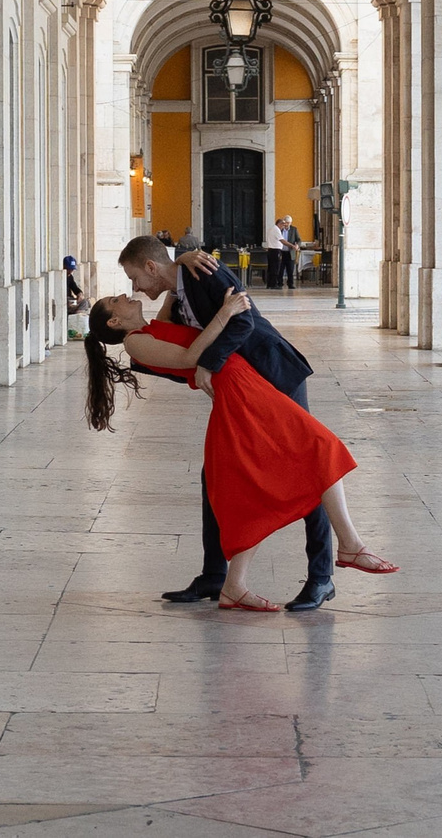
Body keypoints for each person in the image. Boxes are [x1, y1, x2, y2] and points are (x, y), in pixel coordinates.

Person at [82, 291, 397, 610]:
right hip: (237, 392)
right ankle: (350, 545)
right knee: (321, 446)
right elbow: (189, 358)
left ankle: (235, 585)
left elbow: (171, 298)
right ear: (114, 320)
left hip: (244, 384)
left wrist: (180, 270)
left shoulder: (151, 327)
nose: (124, 294)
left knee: (260, 485)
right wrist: (227, 310)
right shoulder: (136, 343)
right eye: (115, 300)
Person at [116, 232, 337, 609]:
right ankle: (215, 576)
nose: (134, 287)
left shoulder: (207, 272)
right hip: (241, 389)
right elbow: (168, 334)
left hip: (273, 372)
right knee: (214, 477)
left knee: (306, 465)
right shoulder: (181, 283)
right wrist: (180, 264)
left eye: (135, 277)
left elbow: (244, 320)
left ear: (151, 267)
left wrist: (208, 364)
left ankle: (321, 576)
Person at [273, 214, 302, 290]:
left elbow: (299, 240)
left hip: (290, 252)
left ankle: (290, 284)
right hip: (281, 251)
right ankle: (280, 283)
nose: (286, 224)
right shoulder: (280, 229)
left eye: (288, 223)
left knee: (290, 269)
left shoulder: (294, 229)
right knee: (280, 269)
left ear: (291, 223)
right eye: (285, 222)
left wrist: (297, 246)